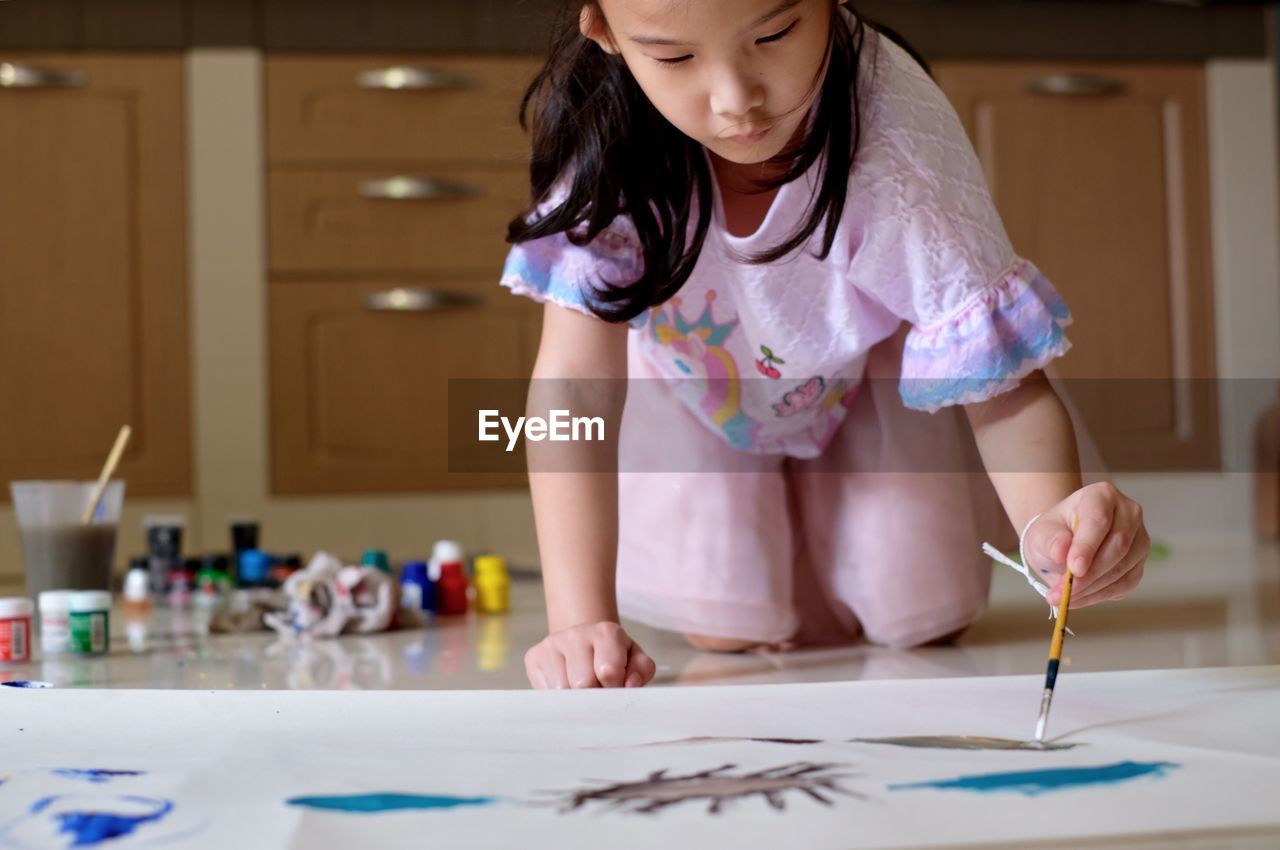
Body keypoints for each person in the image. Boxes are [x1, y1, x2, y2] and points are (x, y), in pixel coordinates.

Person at [499, 0, 1150, 689]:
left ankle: (820, 538)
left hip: (861, 374)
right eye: (673, 57)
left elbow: (1006, 384)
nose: (736, 101)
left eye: (775, 34)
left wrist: (1052, 523)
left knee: (925, 616)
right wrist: (577, 622)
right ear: (603, 30)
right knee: (727, 626)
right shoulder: (604, 136)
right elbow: (573, 386)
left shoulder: (897, 137)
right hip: (690, 382)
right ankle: (794, 549)